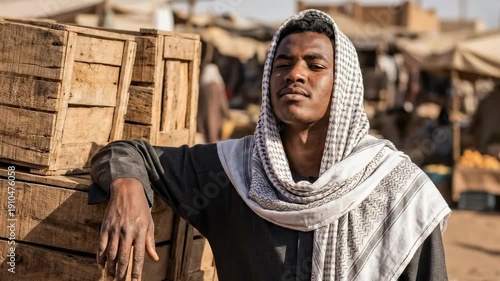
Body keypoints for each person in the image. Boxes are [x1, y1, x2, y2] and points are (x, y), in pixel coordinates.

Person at [89, 10, 451, 281]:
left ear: (342, 85)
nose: (295, 73)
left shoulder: (398, 189)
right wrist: (127, 189)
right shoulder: (234, 171)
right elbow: (127, 153)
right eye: (283, 63)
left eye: (315, 65)